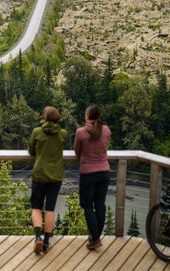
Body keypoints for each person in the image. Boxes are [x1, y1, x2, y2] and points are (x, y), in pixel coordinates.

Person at [28, 106, 67, 254]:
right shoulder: (63, 134)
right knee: (50, 209)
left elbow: (31, 150)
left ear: (44, 118)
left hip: (40, 175)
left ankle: (37, 237)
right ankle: (45, 242)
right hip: (56, 176)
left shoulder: (37, 132)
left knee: (36, 207)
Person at [73, 105, 111, 250]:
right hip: (104, 173)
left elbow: (77, 152)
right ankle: (96, 236)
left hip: (88, 174)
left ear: (87, 116)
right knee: (100, 205)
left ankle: (95, 238)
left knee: (87, 205)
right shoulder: (106, 130)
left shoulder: (81, 132)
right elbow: (104, 147)